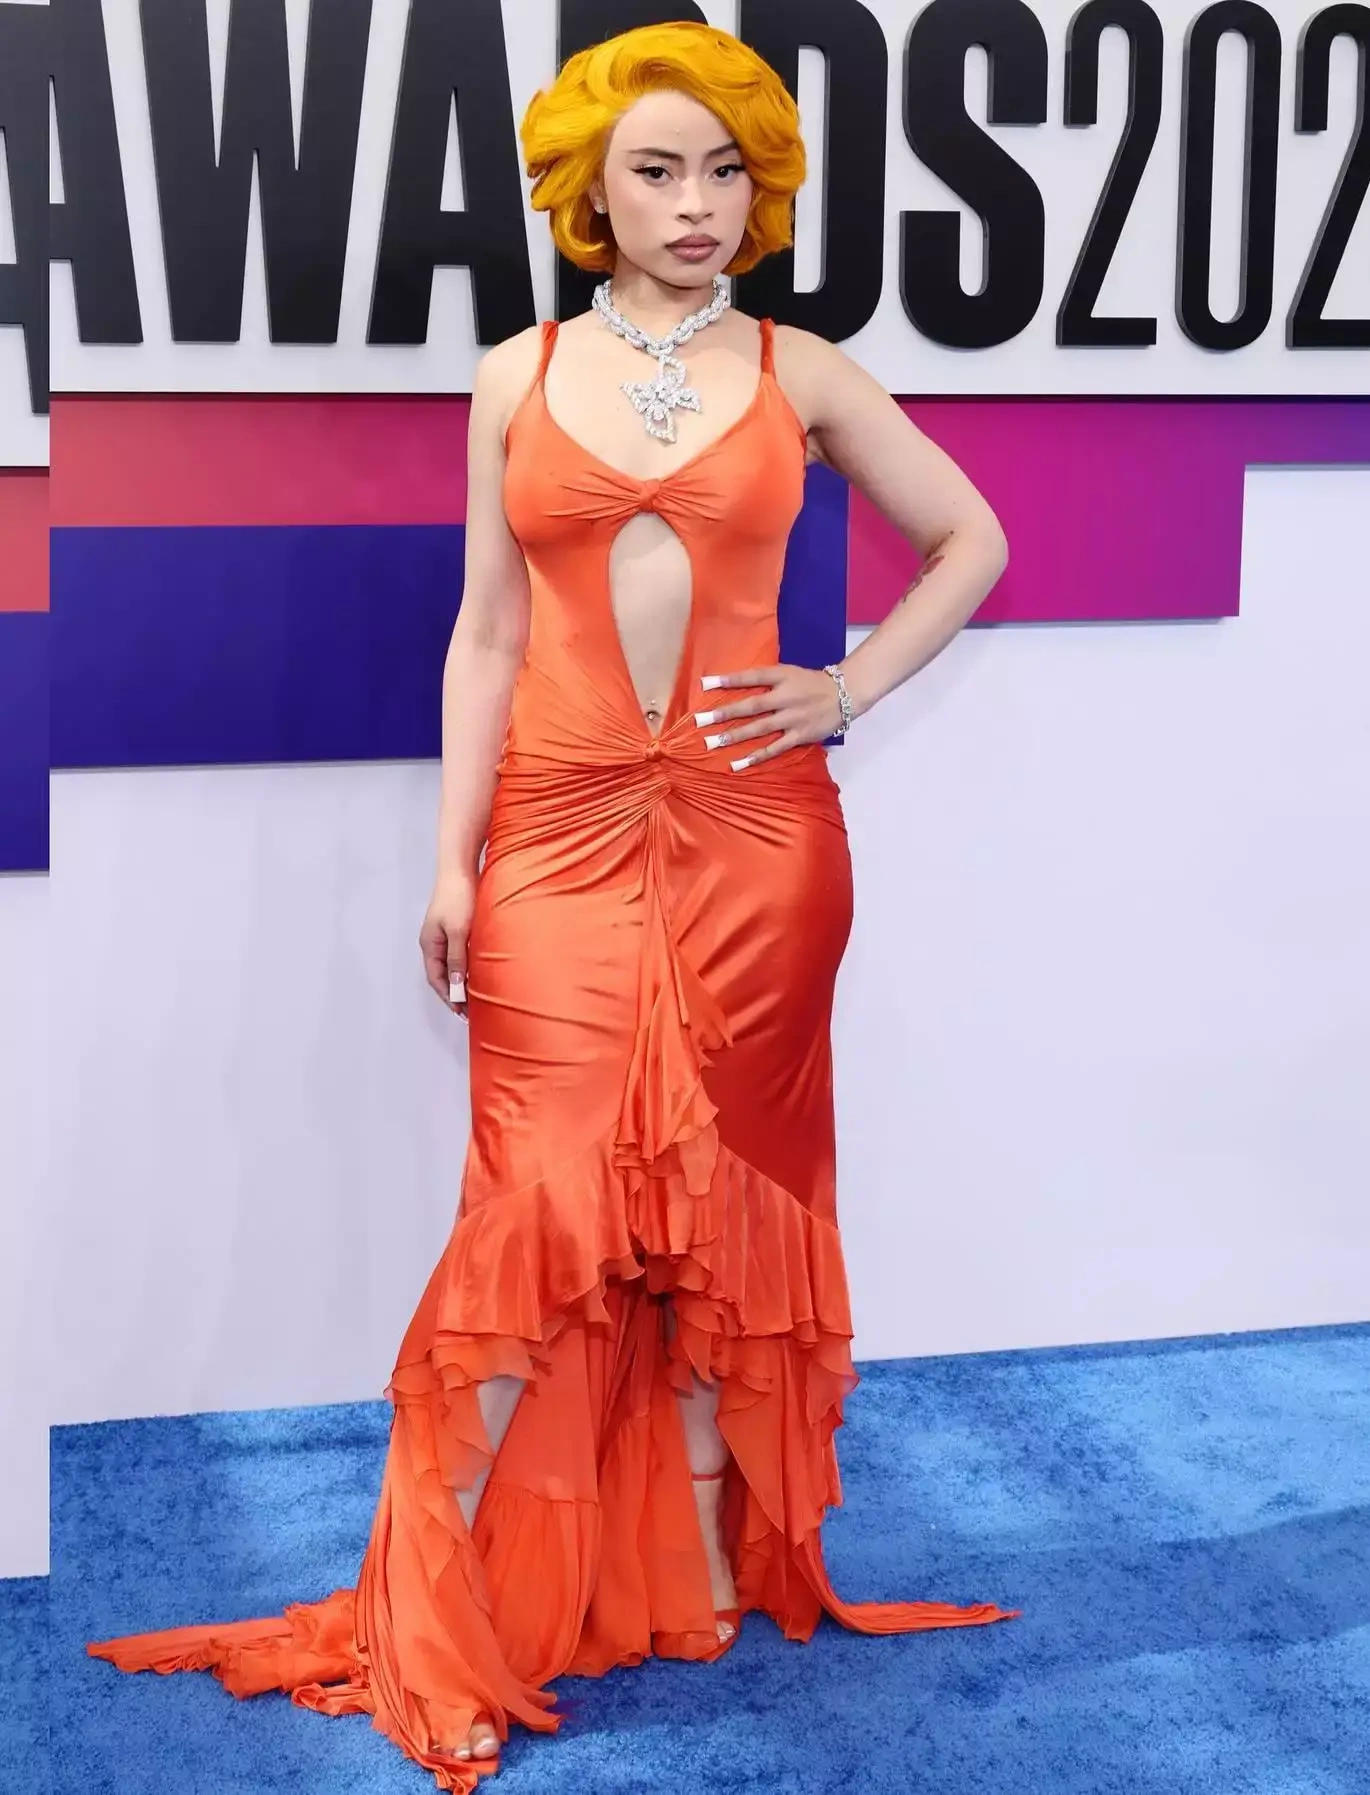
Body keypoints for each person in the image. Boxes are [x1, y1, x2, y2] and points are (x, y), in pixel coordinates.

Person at [88, 21, 1016, 1787]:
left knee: (725, 1201)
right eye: (658, 169)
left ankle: (693, 1572)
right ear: (594, 188)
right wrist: (454, 857)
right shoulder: (515, 375)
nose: (696, 201)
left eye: (726, 169)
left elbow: (971, 537)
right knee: (542, 1195)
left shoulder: (803, 370)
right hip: (560, 830)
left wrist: (845, 687)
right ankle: (439, 1601)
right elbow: (488, 630)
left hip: (759, 843)